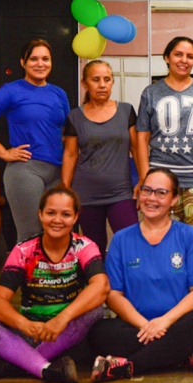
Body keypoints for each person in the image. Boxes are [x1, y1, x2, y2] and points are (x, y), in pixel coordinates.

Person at [88, 168, 193, 383]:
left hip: (178, 323)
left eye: (161, 193)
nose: (151, 198)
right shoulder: (121, 239)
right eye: (147, 190)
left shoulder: (189, 235)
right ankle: (181, 357)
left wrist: (165, 322)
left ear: (174, 199)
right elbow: (113, 295)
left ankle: (128, 366)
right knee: (99, 332)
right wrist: (144, 325)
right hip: (135, 326)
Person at [0, 186, 108, 383]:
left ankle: (19, 363)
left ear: (75, 217)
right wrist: (24, 324)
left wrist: (62, 319)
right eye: (51, 213)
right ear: (40, 214)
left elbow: (101, 286)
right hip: (31, 331)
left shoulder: (84, 246)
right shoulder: (23, 250)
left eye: (66, 214)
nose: (57, 220)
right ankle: (46, 368)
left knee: (96, 309)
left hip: (67, 331)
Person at [137, 37, 193, 232]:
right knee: (161, 235)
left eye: (190, 56)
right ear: (167, 57)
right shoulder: (151, 93)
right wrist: (144, 175)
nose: (184, 60)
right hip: (161, 178)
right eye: (178, 54)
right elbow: (142, 137)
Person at [61, 60, 140, 259]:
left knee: (131, 244)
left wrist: (143, 179)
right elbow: (70, 154)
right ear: (85, 84)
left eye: (107, 79)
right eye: (96, 80)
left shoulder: (126, 111)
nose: (102, 85)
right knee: (94, 250)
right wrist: (65, 188)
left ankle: (125, 281)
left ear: (112, 82)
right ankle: (98, 280)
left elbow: (137, 148)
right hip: (86, 194)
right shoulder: (75, 116)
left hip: (121, 192)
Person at [0, 39, 69, 242]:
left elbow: (66, 133)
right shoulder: (11, 90)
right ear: (23, 62)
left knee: (56, 235)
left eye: (45, 59)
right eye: (33, 59)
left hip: (57, 172)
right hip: (25, 170)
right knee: (31, 236)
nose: (40, 64)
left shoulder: (59, 93)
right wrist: (3, 153)